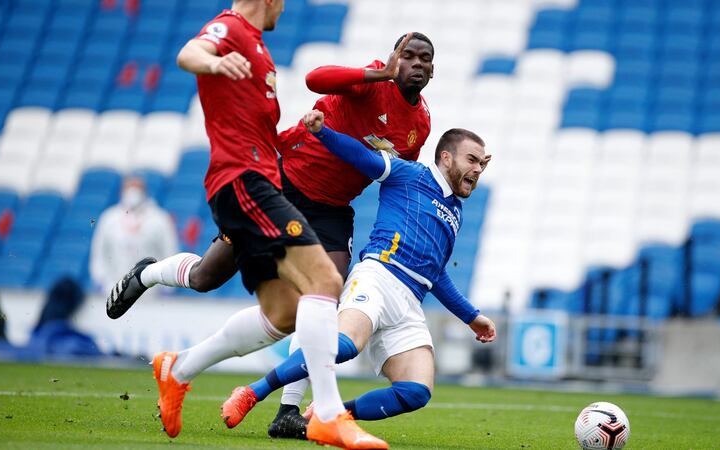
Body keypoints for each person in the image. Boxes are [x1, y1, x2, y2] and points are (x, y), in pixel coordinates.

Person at [106, 30, 435, 439]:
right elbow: (316, 79)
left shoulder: (419, 125)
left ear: (432, 70)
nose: (416, 64)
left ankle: (289, 410)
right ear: (393, 58)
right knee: (207, 275)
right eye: (408, 56)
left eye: (424, 59)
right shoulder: (369, 82)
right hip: (284, 183)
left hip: (332, 209)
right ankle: (147, 274)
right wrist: (377, 75)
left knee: (319, 298)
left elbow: (393, 178)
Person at [219, 110, 496, 434]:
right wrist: (323, 133)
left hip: (409, 304)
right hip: (378, 278)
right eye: (472, 160)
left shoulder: (455, 211)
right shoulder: (411, 175)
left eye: (481, 164)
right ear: (446, 157)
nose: (477, 169)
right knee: (343, 345)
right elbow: (364, 159)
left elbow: (434, 273)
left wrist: (470, 316)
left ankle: (327, 416)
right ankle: (253, 392)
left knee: (416, 391)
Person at [89, 175, 177, 291]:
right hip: (114, 289)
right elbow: (99, 253)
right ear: (121, 191)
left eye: (137, 188)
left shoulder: (159, 219)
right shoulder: (109, 218)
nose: (133, 193)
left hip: (150, 293)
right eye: (129, 188)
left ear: (145, 191)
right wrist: (102, 281)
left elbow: (170, 252)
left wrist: (165, 287)